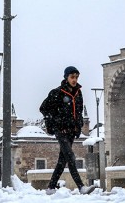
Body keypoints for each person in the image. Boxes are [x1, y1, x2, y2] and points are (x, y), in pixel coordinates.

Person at [40, 66, 95, 195]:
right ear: (66, 77)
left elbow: (79, 111)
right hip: (61, 130)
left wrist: (79, 124)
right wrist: (54, 124)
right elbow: (44, 108)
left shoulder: (78, 93)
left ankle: (50, 187)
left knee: (62, 160)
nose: (74, 80)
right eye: (72, 77)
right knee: (70, 157)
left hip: (71, 130)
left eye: (76, 77)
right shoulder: (57, 92)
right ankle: (81, 187)